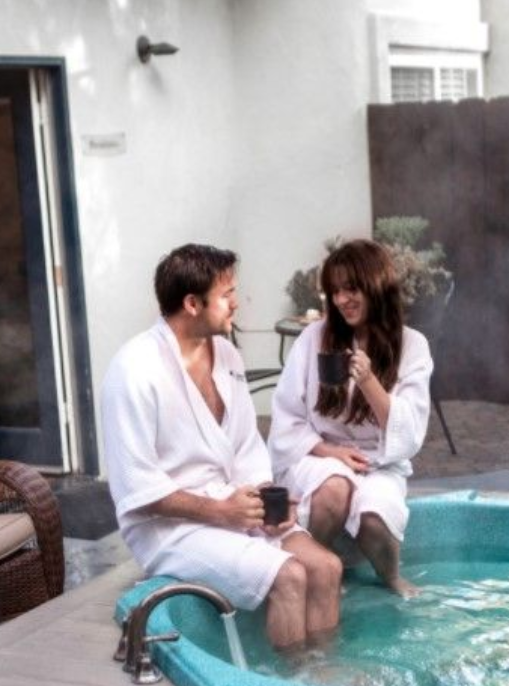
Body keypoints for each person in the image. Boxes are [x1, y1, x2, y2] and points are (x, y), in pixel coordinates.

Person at [100, 244, 342, 650]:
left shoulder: (227, 354)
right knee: (290, 576)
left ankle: (326, 675)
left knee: (327, 567)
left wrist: (265, 501)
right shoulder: (134, 370)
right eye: (227, 294)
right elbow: (135, 489)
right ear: (192, 303)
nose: (236, 303)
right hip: (169, 526)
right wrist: (220, 511)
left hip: (229, 505)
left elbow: (246, 448)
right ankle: (293, 682)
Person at [268, 238, 433, 596]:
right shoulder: (314, 337)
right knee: (334, 488)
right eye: (335, 291)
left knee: (374, 516)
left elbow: (409, 433)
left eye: (351, 288)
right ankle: (318, 570)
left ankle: (391, 576)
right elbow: (287, 417)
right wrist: (330, 452)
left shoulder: (412, 345)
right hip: (318, 455)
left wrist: (369, 381)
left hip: (379, 461)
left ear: (377, 286)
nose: (342, 299)